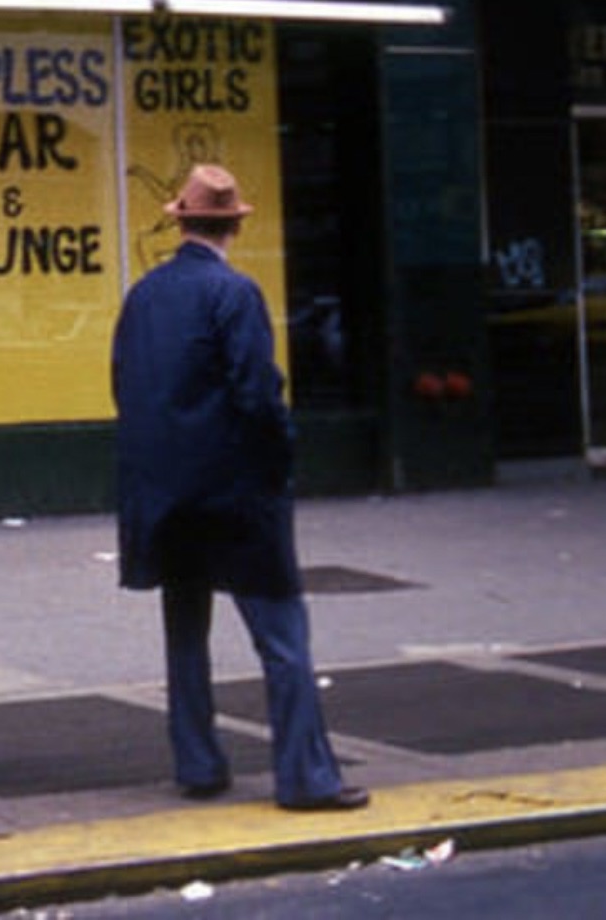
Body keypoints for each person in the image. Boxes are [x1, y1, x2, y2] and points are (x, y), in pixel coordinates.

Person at [111, 164, 368, 812]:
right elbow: (258, 395)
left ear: (181, 219)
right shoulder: (235, 293)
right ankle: (307, 777)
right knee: (282, 634)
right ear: (235, 224)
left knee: (185, 632)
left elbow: (124, 383)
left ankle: (197, 762)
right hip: (234, 492)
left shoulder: (143, 295)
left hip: (164, 492)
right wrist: (280, 461)